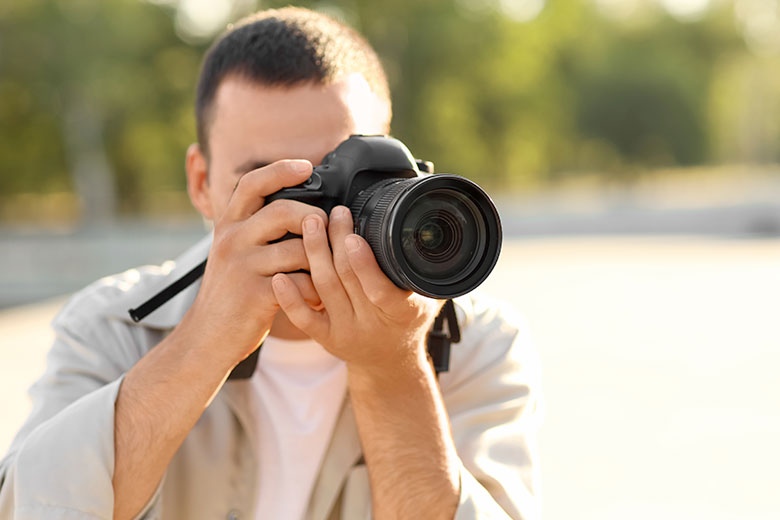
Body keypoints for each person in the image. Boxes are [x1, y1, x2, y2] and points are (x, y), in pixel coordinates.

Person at [0, 7, 541, 520]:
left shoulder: (473, 341)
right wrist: (203, 343)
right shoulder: (112, 328)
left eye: (347, 177)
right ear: (201, 183)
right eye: (279, 185)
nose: (317, 219)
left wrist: (392, 367)